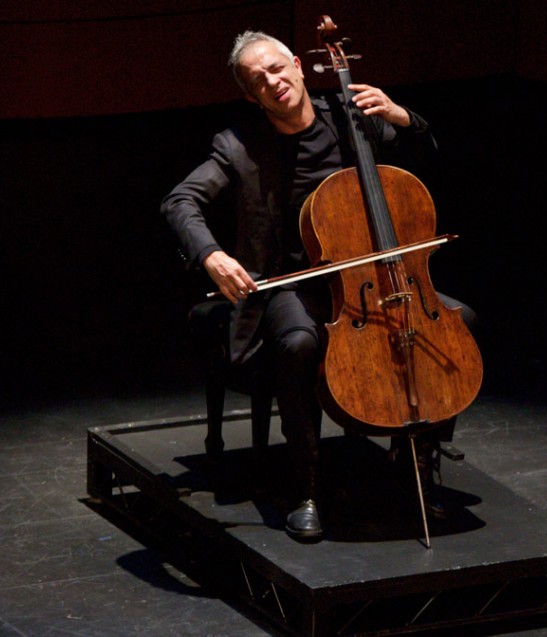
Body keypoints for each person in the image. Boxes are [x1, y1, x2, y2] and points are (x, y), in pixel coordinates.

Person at [161, 31, 474, 541]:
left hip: (376, 276)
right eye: (259, 80)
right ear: (251, 95)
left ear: (299, 69)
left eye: (279, 69)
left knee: (464, 323)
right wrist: (212, 255)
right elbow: (181, 201)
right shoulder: (238, 145)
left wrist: (401, 116)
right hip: (293, 282)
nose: (274, 82)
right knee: (300, 342)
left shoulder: (350, 116)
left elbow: (431, 151)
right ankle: (304, 486)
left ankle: (418, 463)